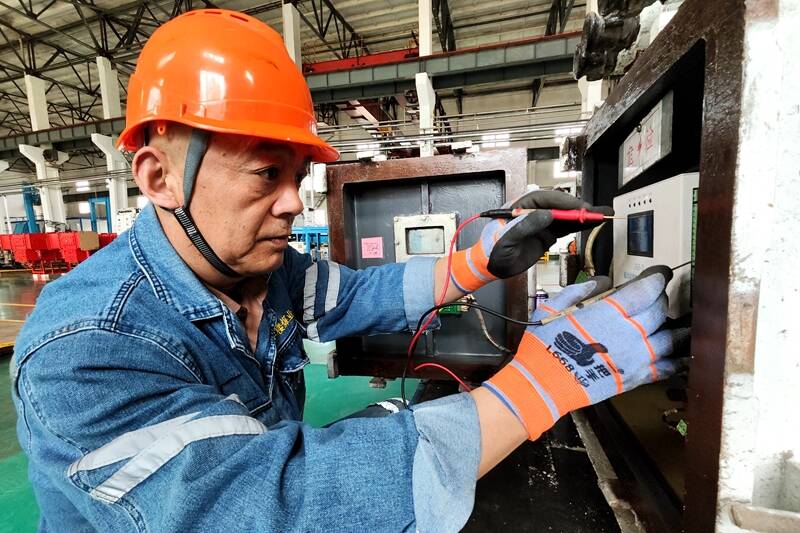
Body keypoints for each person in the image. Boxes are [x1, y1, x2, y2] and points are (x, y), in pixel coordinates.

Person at [10, 10, 682, 533]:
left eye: (298, 175)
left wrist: (478, 262)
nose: (291, 201)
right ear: (159, 178)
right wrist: (543, 382)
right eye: (265, 173)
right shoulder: (85, 349)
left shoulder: (264, 272)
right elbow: (281, 508)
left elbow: (358, 294)